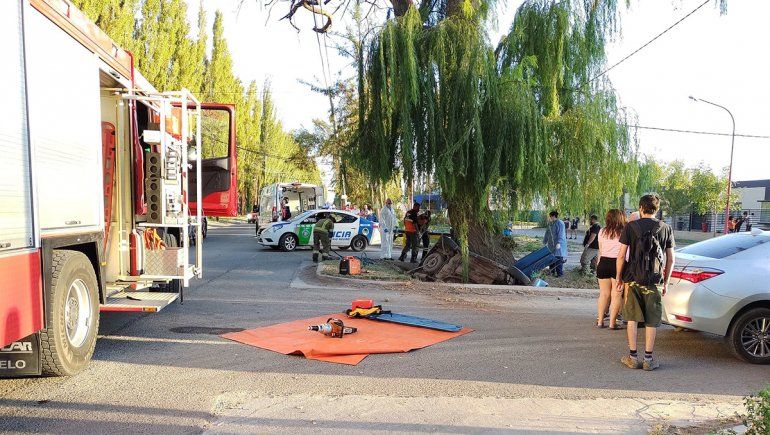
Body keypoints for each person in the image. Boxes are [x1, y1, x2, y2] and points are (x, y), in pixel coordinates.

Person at [615, 194, 675, 371]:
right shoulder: (666, 228)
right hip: (654, 280)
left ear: (641, 208)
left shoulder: (630, 227)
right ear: (657, 209)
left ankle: (633, 357)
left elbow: (621, 256)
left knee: (632, 318)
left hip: (633, 279)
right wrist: (666, 282)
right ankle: (648, 359)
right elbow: (671, 259)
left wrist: (619, 278)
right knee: (651, 319)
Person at [596, 209, 626, 329]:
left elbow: (600, 250)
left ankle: (600, 321)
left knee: (603, 294)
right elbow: (625, 253)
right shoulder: (624, 232)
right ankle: (612, 323)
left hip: (603, 262)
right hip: (618, 263)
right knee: (616, 295)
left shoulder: (602, 231)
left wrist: (598, 264)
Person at [544, 211, 568, 277]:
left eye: (550, 216)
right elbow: (547, 233)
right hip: (551, 244)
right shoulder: (550, 223)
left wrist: (559, 242)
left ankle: (559, 274)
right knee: (551, 257)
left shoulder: (560, 223)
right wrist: (544, 242)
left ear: (554, 216)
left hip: (558, 244)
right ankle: (552, 271)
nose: (550, 217)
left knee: (558, 258)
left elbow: (561, 233)